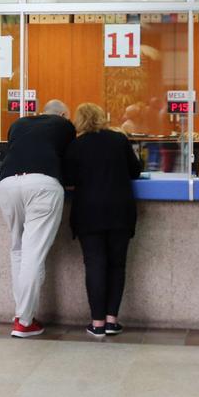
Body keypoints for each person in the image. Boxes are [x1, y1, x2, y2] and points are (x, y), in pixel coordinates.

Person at [0, 99, 76, 337]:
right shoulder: (64, 126)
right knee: (34, 252)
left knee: (18, 249)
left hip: (8, 183)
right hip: (43, 183)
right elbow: (71, 159)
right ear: (63, 114)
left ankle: (21, 312)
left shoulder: (19, 123)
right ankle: (24, 320)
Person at [64, 102, 141, 337]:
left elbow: (68, 178)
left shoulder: (76, 145)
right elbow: (135, 170)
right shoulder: (119, 140)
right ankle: (111, 321)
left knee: (95, 265)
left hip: (89, 213)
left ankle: (96, 323)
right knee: (117, 265)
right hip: (119, 211)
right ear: (101, 117)